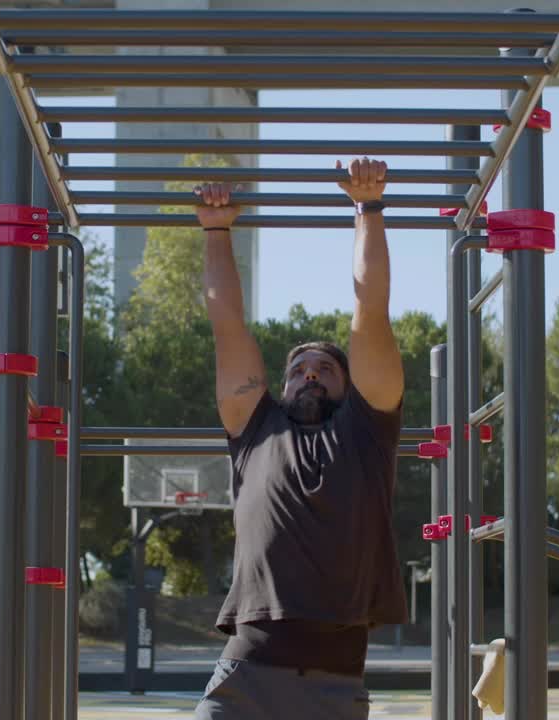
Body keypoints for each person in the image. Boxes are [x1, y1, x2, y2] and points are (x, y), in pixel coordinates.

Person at [191, 157, 407, 719]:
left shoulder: (367, 432)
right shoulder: (255, 427)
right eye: (298, 369)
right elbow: (227, 324)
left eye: (325, 368)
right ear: (281, 387)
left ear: (348, 385)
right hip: (245, 675)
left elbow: (371, 309)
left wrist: (368, 209)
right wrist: (216, 230)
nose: (310, 373)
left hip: (335, 688)